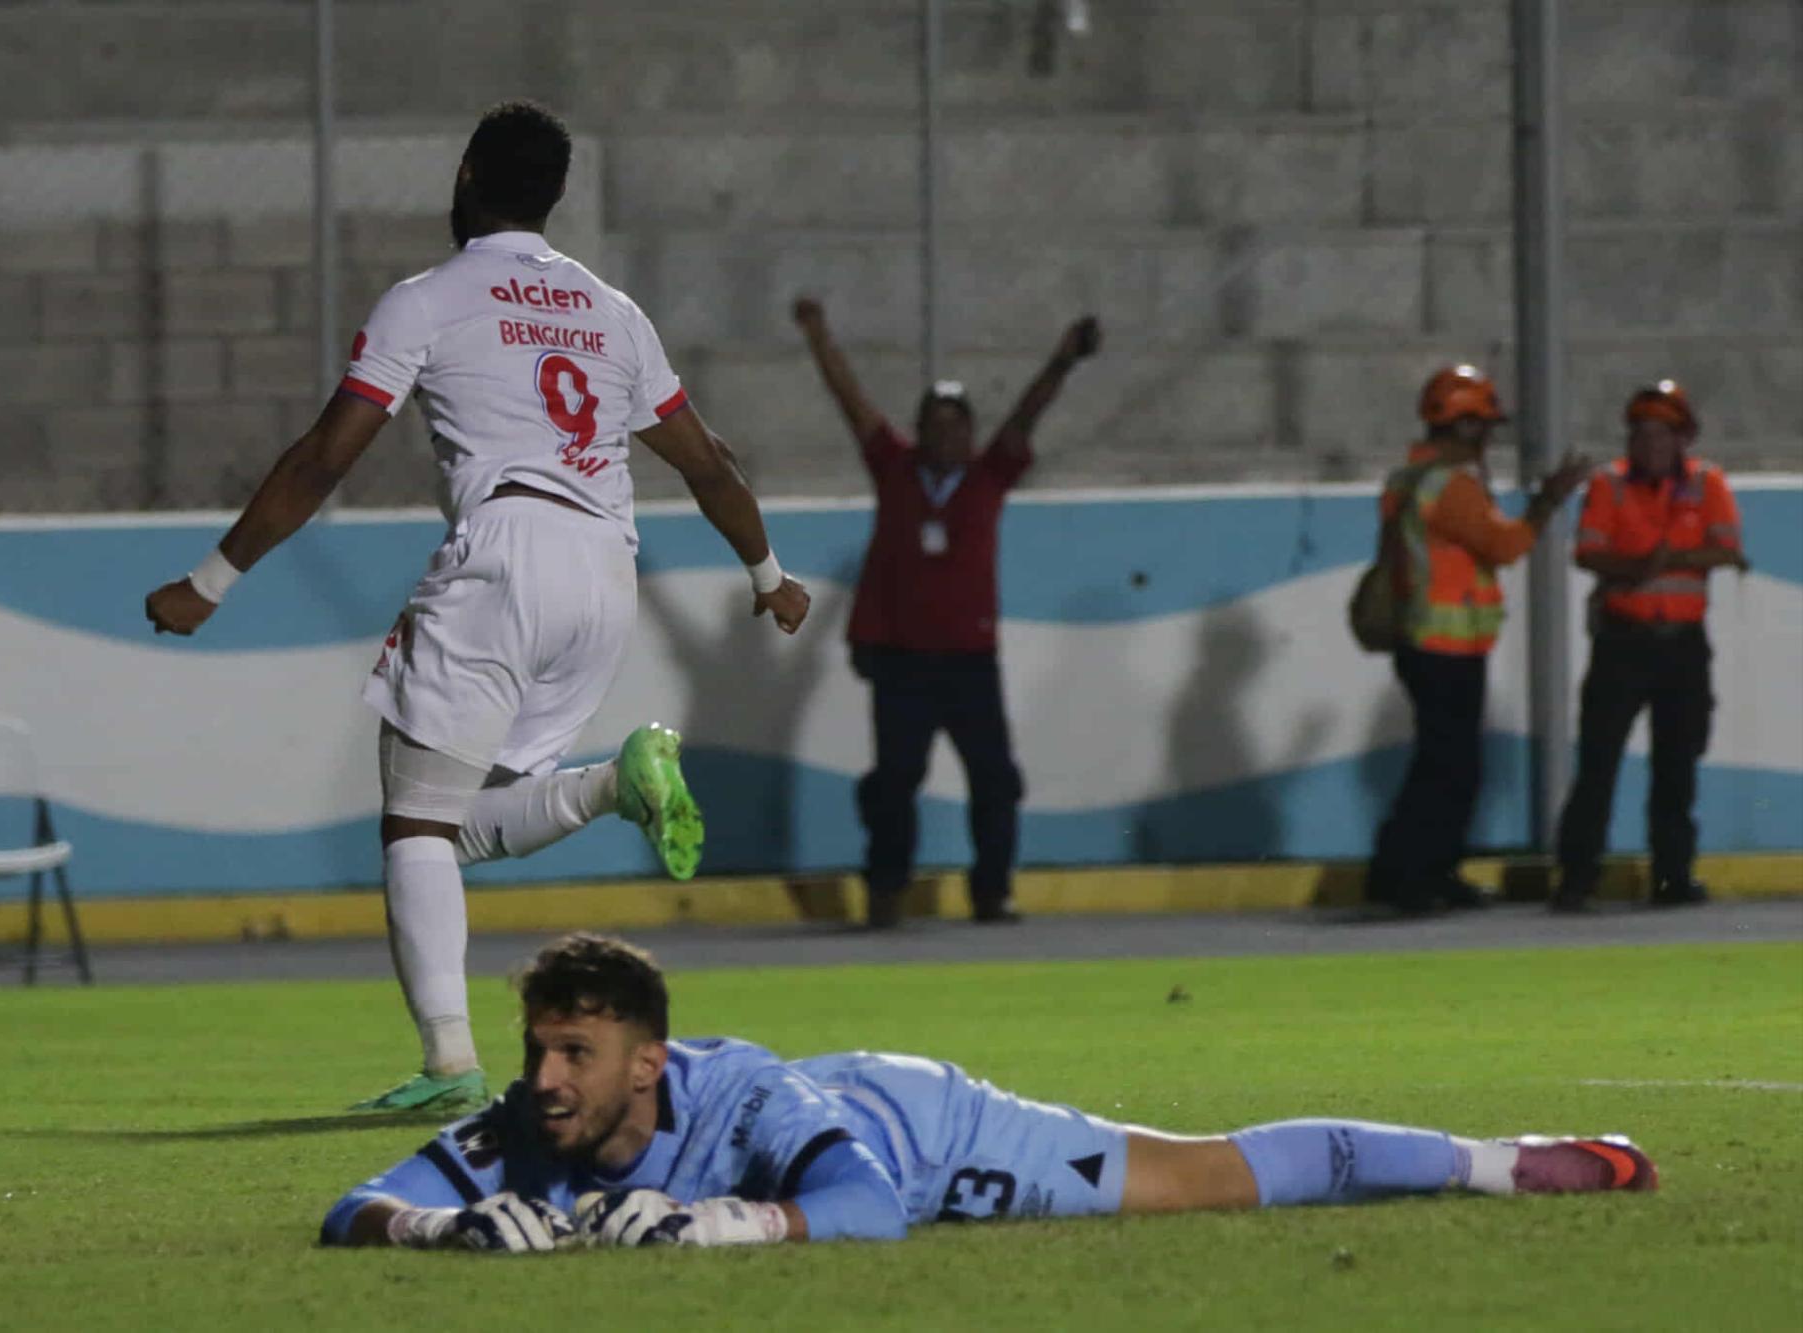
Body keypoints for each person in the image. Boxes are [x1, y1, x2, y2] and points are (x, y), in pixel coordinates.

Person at [143, 101, 811, 1117]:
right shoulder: (611, 311)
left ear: (463, 176)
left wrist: (212, 577)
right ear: (553, 195)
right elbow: (707, 460)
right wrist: (766, 575)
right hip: (602, 570)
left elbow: (326, 453)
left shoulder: (429, 299)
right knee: (456, 827)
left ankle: (449, 1057)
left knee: (413, 824)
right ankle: (607, 788)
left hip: (505, 553)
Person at [319, 931, 1657, 1253]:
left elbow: (862, 1203)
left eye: (574, 1056)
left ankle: (1496, 1160)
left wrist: (734, 1223)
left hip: (916, 1127)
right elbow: (354, 1205)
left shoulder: (755, 1103)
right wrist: (432, 1228)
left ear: (647, 1064)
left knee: (1199, 1176)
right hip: (844, 1135)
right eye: (541, 1048)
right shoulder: (523, 1118)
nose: (545, 1079)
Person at [792, 297, 1100, 928]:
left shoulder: (990, 476)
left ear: (970, 432)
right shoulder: (895, 468)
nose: (947, 436)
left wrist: (1063, 361)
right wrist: (819, 336)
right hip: (902, 660)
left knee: (995, 781)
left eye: (957, 425)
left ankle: (992, 891)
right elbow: (850, 402)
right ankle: (886, 891)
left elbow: (1026, 416)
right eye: (935, 423)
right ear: (920, 429)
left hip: (969, 662)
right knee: (894, 783)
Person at [1365, 365, 1590, 916]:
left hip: (1427, 641)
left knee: (1442, 763)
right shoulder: (1452, 486)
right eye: (1483, 425)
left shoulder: (1408, 480)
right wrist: (1547, 502)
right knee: (1448, 767)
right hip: (1446, 644)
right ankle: (1413, 876)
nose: (1490, 436)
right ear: (1463, 427)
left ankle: (1423, 871)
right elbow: (1504, 544)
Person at [1552, 381, 1749, 914]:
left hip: (1682, 645)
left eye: (1662, 434)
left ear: (1683, 437)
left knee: (1677, 764)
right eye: (1642, 434)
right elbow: (1589, 553)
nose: (1650, 444)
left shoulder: (1707, 482)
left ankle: (1672, 877)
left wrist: (1664, 560)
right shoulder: (1610, 485)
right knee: (1598, 763)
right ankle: (1577, 877)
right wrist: (1644, 567)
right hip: (1623, 641)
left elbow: (1726, 549)